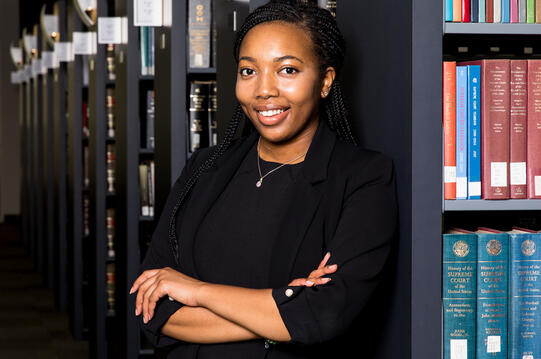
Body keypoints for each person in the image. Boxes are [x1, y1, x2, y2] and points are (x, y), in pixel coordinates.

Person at [130, 0, 398, 357]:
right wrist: (281, 315)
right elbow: (150, 305)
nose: (263, 91)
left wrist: (196, 291)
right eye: (248, 71)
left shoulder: (363, 178)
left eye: (287, 70)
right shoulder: (204, 168)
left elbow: (325, 314)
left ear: (325, 81)